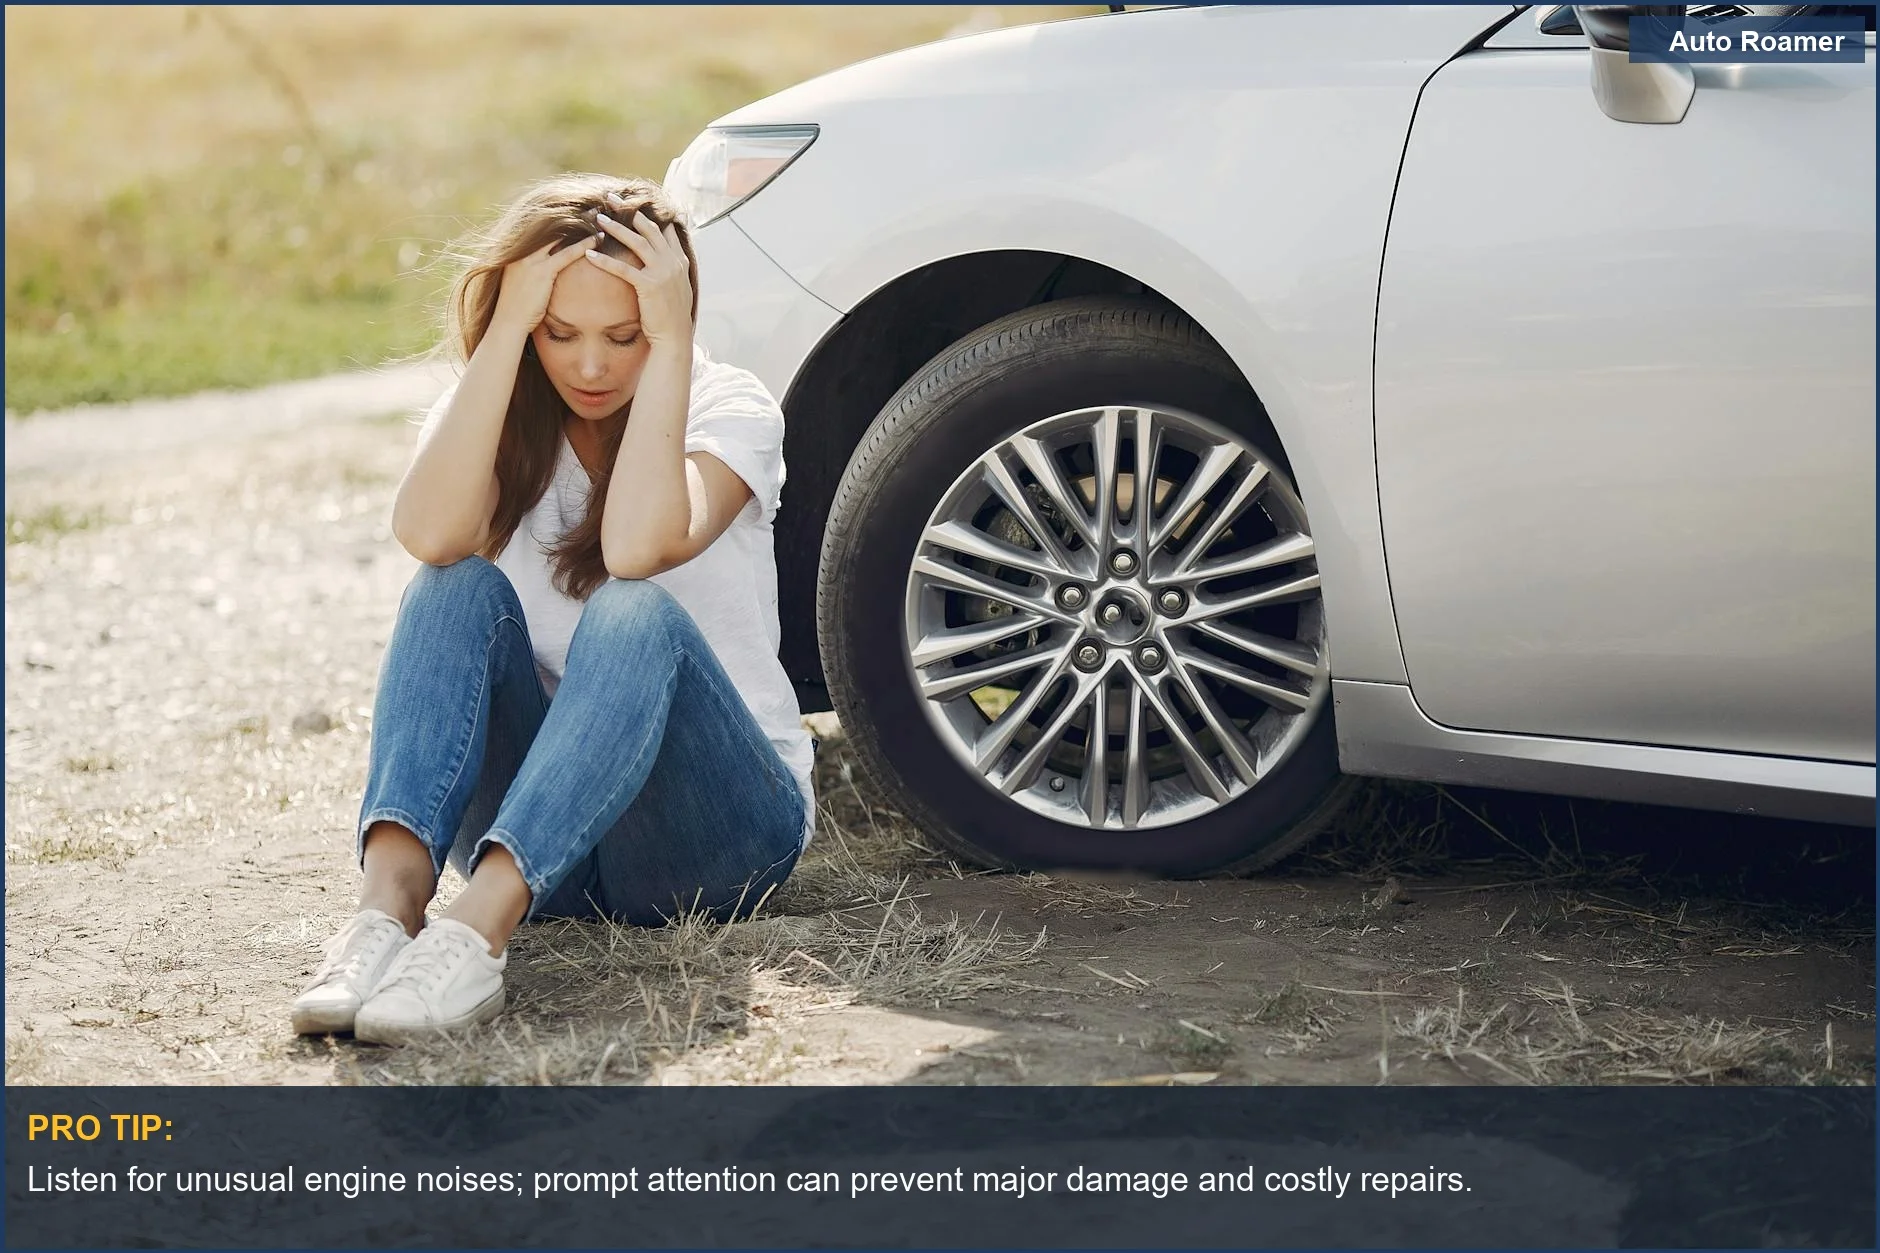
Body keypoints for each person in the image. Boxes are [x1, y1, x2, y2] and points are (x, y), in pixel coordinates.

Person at [290, 173, 815, 1045]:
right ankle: (384, 918)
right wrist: (503, 330)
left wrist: (674, 344)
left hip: (716, 832)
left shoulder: (731, 408)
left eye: (624, 334)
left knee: (632, 610)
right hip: (549, 846)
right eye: (560, 332)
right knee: (451, 582)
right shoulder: (492, 412)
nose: (592, 365)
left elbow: (637, 547)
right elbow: (427, 532)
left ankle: (474, 933)